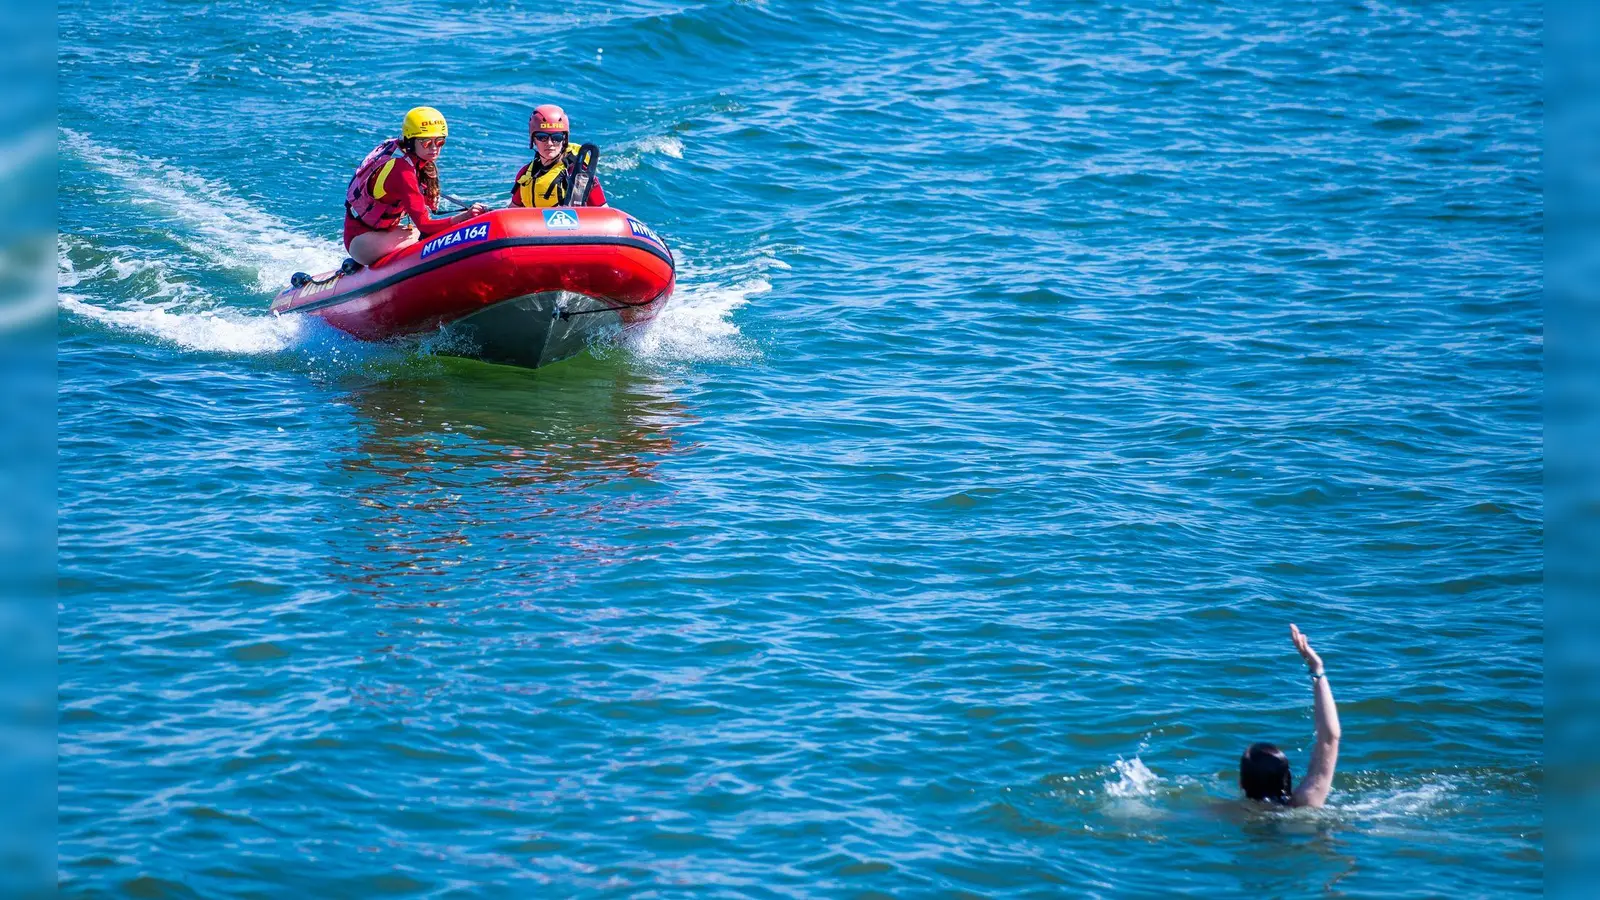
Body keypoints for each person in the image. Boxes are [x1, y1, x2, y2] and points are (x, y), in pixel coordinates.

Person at [344, 106, 487, 266]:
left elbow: (429, 210)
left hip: (384, 232)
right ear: (411, 142)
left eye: (440, 142)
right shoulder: (401, 171)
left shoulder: (414, 160)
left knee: (418, 231)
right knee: (418, 233)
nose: (434, 149)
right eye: (427, 143)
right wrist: (465, 217)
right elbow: (425, 225)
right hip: (362, 241)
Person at [1239, 624, 1342, 808]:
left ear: (1242, 783)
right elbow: (1329, 738)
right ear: (1287, 777)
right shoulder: (1305, 801)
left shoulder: (1230, 813)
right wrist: (1317, 670)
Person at [508, 104, 607, 209]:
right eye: (542, 137)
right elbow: (512, 211)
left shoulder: (580, 174)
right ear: (533, 140)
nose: (550, 143)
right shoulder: (525, 174)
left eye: (557, 137)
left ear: (564, 140)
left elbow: (605, 213)